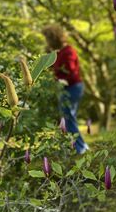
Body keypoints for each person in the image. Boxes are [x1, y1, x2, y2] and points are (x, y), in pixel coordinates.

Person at [42, 24, 89, 154]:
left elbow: (71, 73)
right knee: (68, 118)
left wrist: (58, 79)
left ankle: (81, 148)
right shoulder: (59, 52)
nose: (47, 42)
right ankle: (79, 147)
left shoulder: (68, 51)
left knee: (69, 118)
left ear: (54, 38)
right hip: (67, 88)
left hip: (72, 88)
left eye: (48, 39)